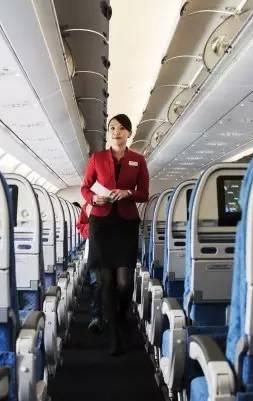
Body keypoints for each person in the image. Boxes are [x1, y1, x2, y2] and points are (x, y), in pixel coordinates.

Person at [81, 113, 149, 355]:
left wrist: (128, 193)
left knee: (124, 283)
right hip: (101, 222)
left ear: (129, 133)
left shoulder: (138, 160)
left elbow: (144, 193)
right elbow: (85, 187)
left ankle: (120, 317)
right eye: (112, 128)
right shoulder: (97, 158)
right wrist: (94, 199)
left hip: (125, 224)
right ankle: (114, 334)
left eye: (121, 128)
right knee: (106, 282)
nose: (116, 132)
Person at [75, 202, 103, 332]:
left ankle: (112, 316)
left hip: (113, 249)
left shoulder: (118, 204)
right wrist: (92, 230)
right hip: (94, 249)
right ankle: (96, 317)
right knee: (97, 283)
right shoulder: (88, 205)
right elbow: (80, 224)